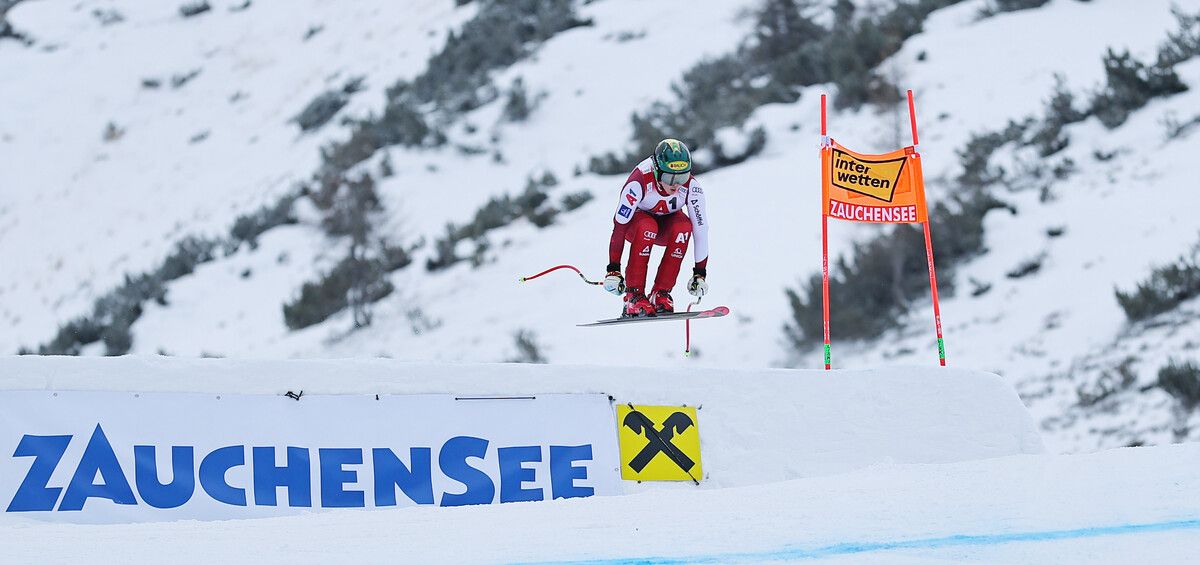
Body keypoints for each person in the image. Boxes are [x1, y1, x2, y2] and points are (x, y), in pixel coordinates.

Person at [602, 138, 709, 317]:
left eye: (682, 177)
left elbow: (701, 229)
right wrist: (613, 270)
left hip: (666, 228)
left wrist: (700, 274)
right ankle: (633, 296)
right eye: (670, 177)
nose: (676, 184)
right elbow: (619, 227)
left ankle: (661, 294)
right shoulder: (639, 180)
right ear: (657, 171)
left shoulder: (691, 186)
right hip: (636, 227)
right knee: (647, 226)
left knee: (683, 227)